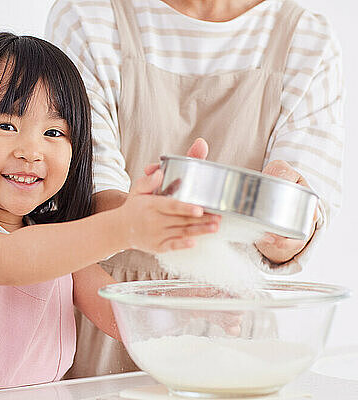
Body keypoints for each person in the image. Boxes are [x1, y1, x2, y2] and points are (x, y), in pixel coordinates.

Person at [0, 32, 220, 398]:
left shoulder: (55, 243)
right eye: (6, 125)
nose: (31, 151)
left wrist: (194, 306)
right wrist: (125, 226)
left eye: (53, 132)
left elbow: (121, 315)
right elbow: (8, 260)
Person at [46, 0, 344, 378]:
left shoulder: (307, 38)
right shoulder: (88, 16)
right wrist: (143, 221)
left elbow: (294, 230)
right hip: (107, 311)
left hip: (232, 321)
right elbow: (81, 192)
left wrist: (281, 222)